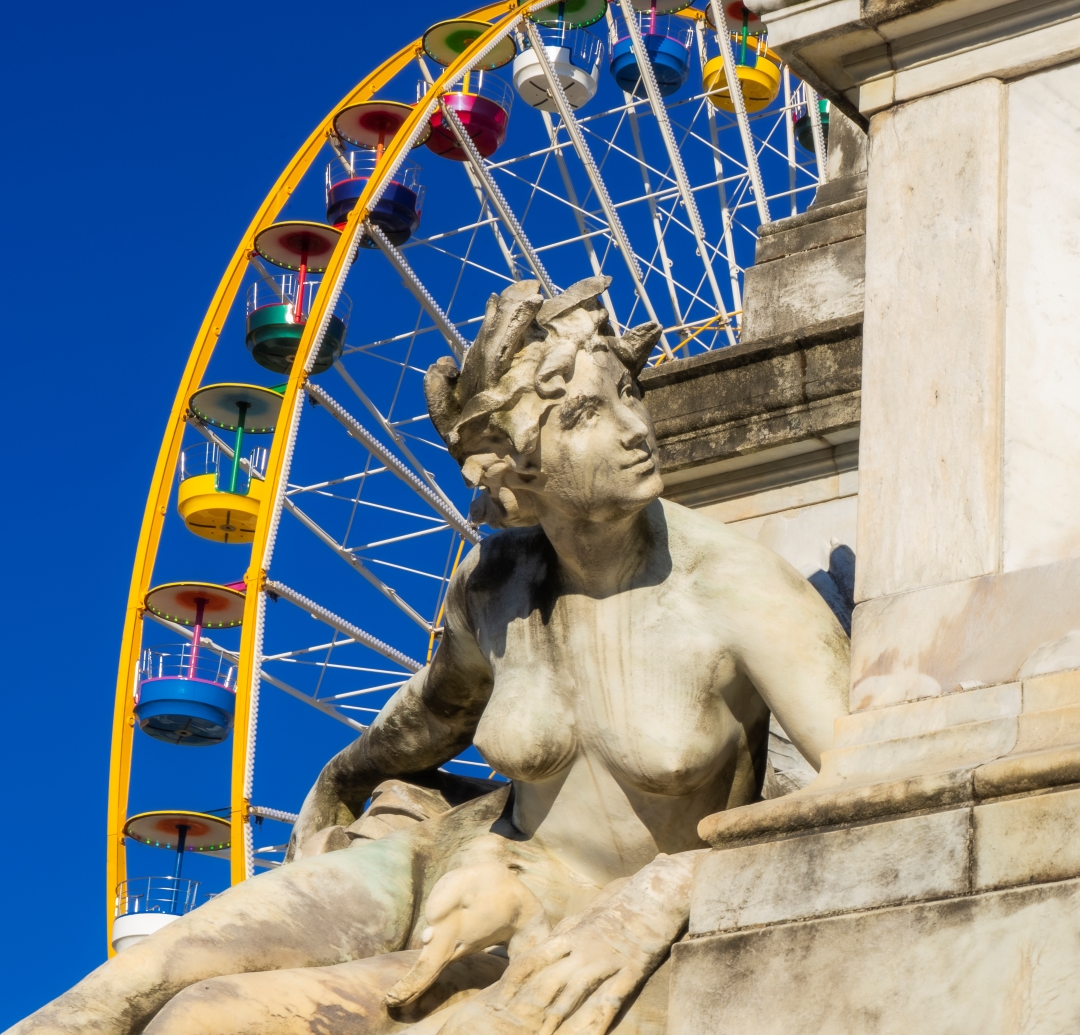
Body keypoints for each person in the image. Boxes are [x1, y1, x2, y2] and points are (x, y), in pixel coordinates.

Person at [9, 276, 849, 1035]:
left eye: (627, 392)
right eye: (589, 414)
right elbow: (435, 713)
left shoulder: (739, 589)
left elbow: (864, 799)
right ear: (514, 466)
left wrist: (667, 894)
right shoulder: (496, 586)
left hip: (616, 928)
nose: (638, 429)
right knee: (171, 1003)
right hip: (481, 871)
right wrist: (340, 781)